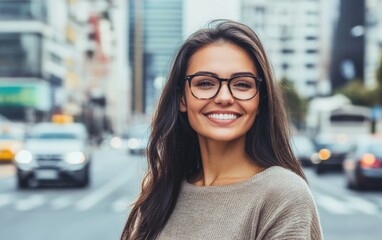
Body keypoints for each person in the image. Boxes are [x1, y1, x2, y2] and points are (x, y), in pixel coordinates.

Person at [121, 19, 323, 240]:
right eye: (205, 83)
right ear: (182, 99)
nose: (224, 97)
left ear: (260, 101)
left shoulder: (283, 193)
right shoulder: (160, 194)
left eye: (242, 84)